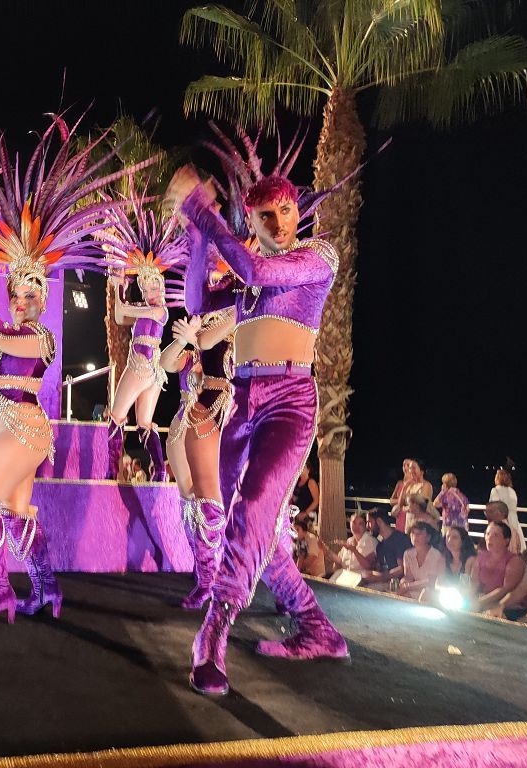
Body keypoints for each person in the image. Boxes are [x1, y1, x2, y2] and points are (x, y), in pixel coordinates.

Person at [167, 160, 349, 697]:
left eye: (286, 210)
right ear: (251, 220)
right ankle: (317, 628)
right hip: (243, 401)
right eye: (265, 216)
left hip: (289, 402)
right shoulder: (245, 266)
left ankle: (212, 637)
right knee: (245, 525)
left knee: (252, 511)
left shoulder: (318, 257)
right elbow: (196, 303)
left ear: (297, 210)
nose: (278, 223)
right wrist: (201, 234)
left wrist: (204, 212)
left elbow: (258, 273)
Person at [0, 113, 127, 626]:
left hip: (25, 429)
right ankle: (47, 590)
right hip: (8, 429)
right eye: (17, 293)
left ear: (41, 301)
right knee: (16, 516)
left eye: (31, 294)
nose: (22, 300)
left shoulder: (37, 336)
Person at [103, 208, 185, 483]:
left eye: (157, 286)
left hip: (141, 367)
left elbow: (125, 310)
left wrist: (118, 284)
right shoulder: (146, 308)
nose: (155, 292)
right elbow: (118, 315)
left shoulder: (158, 311)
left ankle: (111, 469)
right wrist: (117, 287)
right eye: (149, 287)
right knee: (144, 424)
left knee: (115, 416)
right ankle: (159, 471)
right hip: (150, 372)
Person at [160, 309, 233, 609]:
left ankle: (277, 580)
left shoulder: (252, 320)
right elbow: (166, 362)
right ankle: (205, 576)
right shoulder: (201, 346)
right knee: (193, 500)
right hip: (194, 417)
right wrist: (184, 340)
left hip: (238, 410)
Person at [472, 520, 527, 619]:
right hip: (486, 602)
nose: (489, 538)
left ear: (506, 540)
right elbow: (474, 583)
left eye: (495, 535)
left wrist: (479, 603)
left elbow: (504, 589)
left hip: (511, 606)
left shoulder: (514, 561)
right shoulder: (480, 557)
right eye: (488, 533)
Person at [362, 509, 411, 590]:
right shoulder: (380, 545)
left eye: (369, 522)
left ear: (379, 521)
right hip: (385, 582)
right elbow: (380, 569)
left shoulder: (400, 539)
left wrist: (379, 578)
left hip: (400, 584)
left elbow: (402, 569)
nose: (367, 526)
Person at [398, 521, 445, 599]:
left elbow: (432, 581)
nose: (415, 536)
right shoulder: (408, 554)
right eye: (412, 533)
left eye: (419, 534)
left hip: (430, 592)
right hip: (413, 590)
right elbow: (408, 576)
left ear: (428, 537)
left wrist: (408, 586)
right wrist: (404, 582)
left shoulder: (437, 556)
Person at [320, 512, 377, 576]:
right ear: (350, 523)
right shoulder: (349, 540)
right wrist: (326, 550)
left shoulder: (370, 541)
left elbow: (368, 566)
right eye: (354, 523)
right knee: (321, 577)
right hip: (346, 575)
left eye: (360, 524)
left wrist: (354, 550)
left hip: (361, 578)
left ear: (365, 526)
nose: (356, 527)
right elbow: (340, 561)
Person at [389, 459, 434, 532]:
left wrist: (406, 508)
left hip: (421, 525)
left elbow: (420, 506)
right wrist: (404, 488)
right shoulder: (410, 485)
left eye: (414, 468)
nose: (410, 470)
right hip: (410, 524)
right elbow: (400, 504)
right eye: (410, 468)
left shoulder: (426, 485)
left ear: (422, 471)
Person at [488, 469, 525, 554]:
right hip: (514, 521)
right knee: (515, 547)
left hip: (502, 520)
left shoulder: (495, 490)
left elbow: (495, 507)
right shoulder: (512, 491)